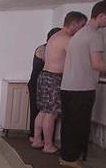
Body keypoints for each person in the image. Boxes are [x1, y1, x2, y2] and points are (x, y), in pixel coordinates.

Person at [59, 0, 106, 168]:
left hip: (68, 87)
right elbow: (97, 64)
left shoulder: (79, 34)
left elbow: (87, 63)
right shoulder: (94, 35)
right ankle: (72, 159)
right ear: (101, 15)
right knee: (79, 125)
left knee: (69, 124)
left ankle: (66, 156)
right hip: (82, 88)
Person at [32, 13, 86, 153]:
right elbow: (77, 61)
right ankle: (48, 145)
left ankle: (37, 140)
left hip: (44, 76)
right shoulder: (67, 40)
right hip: (54, 78)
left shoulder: (55, 36)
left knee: (43, 111)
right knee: (51, 113)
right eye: (81, 26)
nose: (82, 29)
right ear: (74, 24)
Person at [28, 27, 62, 142]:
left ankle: (40, 137)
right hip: (37, 83)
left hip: (43, 83)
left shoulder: (49, 48)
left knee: (43, 111)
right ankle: (34, 136)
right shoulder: (43, 49)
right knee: (37, 109)